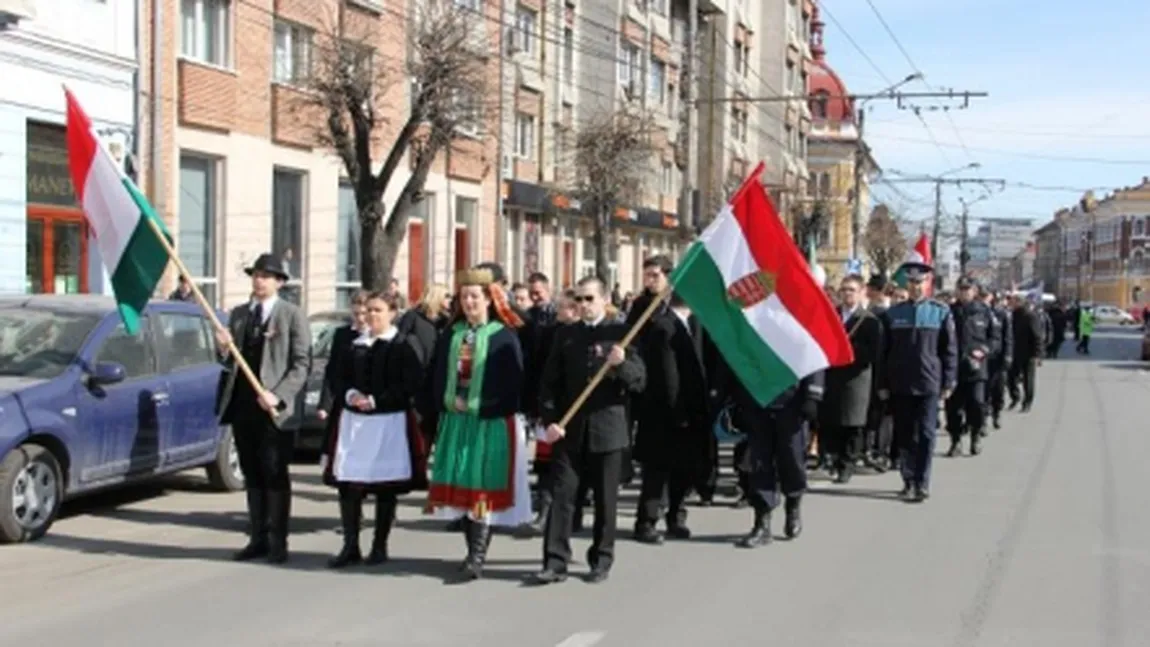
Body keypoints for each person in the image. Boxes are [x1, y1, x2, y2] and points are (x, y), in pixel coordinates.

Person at [531, 276, 646, 584]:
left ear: (604, 299)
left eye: (589, 299)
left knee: (606, 500)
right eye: (578, 300)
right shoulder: (566, 335)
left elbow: (639, 381)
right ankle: (555, 560)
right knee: (562, 496)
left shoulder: (622, 333)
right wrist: (550, 419)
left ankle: (601, 558)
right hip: (570, 429)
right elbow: (549, 383)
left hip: (608, 430)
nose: (583, 306)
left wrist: (621, 364)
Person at [421, 268, 529, 580]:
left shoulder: (503, 336)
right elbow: (437, 375)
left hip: (489, 423)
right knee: (464, 488)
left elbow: (513, 384)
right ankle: (471, 549)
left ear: (488, 300)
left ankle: (476, 555)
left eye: (474, 297)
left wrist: (478, 404)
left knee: (481, 488)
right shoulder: (451, 335)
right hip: (456, 422)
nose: (469, 302)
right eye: (464, 297)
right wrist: (445, 400)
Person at [215, 253, 310, 563]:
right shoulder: (241, 314)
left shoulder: (291, 315)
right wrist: (223, 348)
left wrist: (278, 395)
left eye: (266, 276)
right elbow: (230, 363)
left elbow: (301, 364)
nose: (259, 281)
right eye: (256, 275)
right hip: (244, 405)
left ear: (279, 282)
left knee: (274, 473)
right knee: (252, 473)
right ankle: (257, 537)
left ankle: (278, 540)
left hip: (275, 412)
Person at [325, 291, 426, 568]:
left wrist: (377, 400)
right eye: (368, 310)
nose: (371, 315)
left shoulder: (404, 344)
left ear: (392, 313)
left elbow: (411, 384)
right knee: (348, 486)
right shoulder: (353, 344)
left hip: (387, 422)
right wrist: (350, 395)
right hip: (354, 423)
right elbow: (337, 376)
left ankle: (380, 545)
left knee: (384, 487)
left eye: (378, 310)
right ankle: (350, 544)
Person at [632, 291, 713, 543]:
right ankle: (646, 521)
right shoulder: (664, 327)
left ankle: (676, 517)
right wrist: (678, 412)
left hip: (688, 412)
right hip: (665, 414)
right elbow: (669, 378)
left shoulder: (690, 325)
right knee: (657, 471)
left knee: (683, 469)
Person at [717, 358, 823, 547]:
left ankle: (793, 503)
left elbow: (811, 353)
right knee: (759, 463)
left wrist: (812, 395)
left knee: (792, 460)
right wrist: (727, 392)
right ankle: (762, 523)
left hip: (792, 403)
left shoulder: (797, 327)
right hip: (757, 401)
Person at [878, 260, 956, 503]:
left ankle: (922, 482)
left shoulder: (940, 312)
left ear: (927, 284)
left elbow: (949, 350)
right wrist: (882, 383)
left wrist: (949, 381)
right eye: (911, 283)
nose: (916, 287)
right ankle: (908, 480)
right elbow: (883, 353)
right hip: (901, 383)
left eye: (920, 283)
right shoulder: (893, 314)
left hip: (929, 383)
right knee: (904, 435)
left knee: (926, 434)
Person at [821, 274, 882, 484]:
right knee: (833, 422)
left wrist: (847, 352)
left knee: (852, 424)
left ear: (861, 292)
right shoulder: (832, 315)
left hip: (856, 379)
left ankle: (847, 464)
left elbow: (872, 352)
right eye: (844, 289)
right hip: (833, 377)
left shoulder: (869, 320)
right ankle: (835, 459)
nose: (847, 294)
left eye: (852, 290)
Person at [318, 291, 369, 468]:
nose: (361, 319)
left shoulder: (376, 335)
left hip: (368, 399)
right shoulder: (342, 334)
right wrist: (325, 404)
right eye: (356, 314)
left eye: (364, 313)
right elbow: (332, 370)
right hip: (345, 397)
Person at [944, 277, 993, 457]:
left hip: (976, 368)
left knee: (977, 404)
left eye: (968, 289)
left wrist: (983, 351)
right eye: (961, 289)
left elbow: (994, 338)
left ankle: (975, 436)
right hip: (953, 368)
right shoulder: (948, 312)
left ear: (974, 291)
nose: (964, 292)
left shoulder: (984, 312)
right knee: (953, 408)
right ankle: (955, 441)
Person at [983, 289, 1013, 430]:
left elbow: (1008, 338)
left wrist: (1007, 355)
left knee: (998, 389)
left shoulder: (1003, 315)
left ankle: (997, 413)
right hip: (984, 358)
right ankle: (982, 419)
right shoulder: (980, 313)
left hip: (999, 358)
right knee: (984, 390)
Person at [1008, 295, 1044, 412]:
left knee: (1028, 380)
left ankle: (1027, 402)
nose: (1011, 304)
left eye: (1013, 302)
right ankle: (1015, 397)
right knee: (1011, 378)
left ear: (1020, 303)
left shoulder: (1030, 316)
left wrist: (1038, 354)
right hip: (1014, 353)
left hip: (1029, 354)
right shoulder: (1013, 316)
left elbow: (1037, 336)